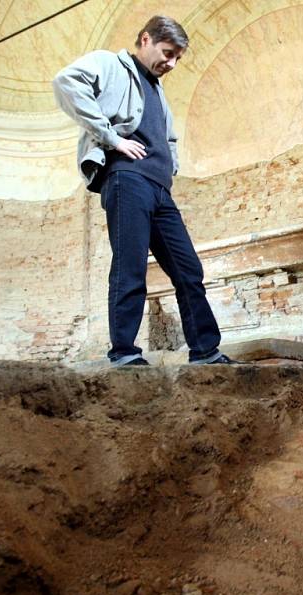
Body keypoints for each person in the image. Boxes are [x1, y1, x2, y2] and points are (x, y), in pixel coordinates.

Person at [53, 16, 235, 367]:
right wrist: (112, 138)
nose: (172, 64)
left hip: (159, 190)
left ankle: (205, 351)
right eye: (167, 54)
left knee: (188, 270)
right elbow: (66, 82)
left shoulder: (157, 89)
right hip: (127, 179)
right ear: (146, 39)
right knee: (130, 266)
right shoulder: (111, 64)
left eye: (178, 58)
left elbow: (168, 138)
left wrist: (171, 165)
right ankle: (124, 353)